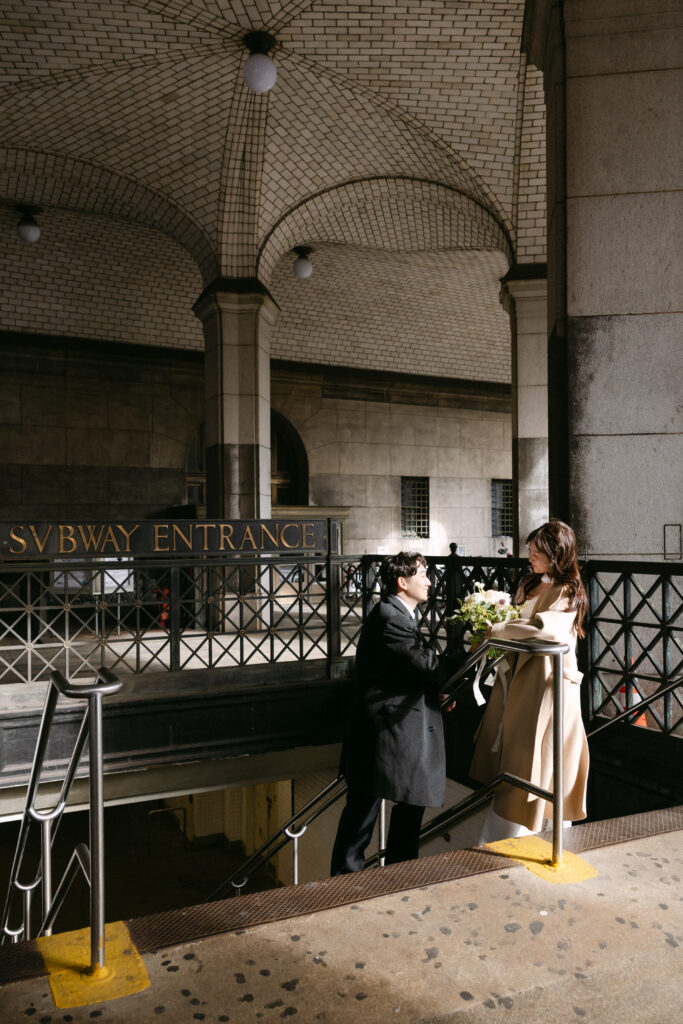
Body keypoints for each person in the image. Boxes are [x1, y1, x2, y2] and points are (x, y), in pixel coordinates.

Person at [331, 551, 451, 874]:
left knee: (404, 804)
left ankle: (398, 874)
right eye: (423, 574)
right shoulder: (391, 616)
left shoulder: (400, 614)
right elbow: (427, 665)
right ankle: (344, 885)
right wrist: (470, 649)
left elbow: (402, 670)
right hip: (382, 734)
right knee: (362, 815)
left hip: (397, 729)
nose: (429, 581)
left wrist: (435, 693)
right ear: (402, 581)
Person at [470, 520, 589, 843]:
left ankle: (534, 839)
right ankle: (505, 838)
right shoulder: (529, 583)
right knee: (517, 757)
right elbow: (527, 627)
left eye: (537, 552)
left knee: (539, 759)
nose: (530, 557)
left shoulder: (568, 590)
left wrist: (499, 630)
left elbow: (547, 633)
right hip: (520, 680)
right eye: (530, 551)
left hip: (549, 686)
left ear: (556, 555)